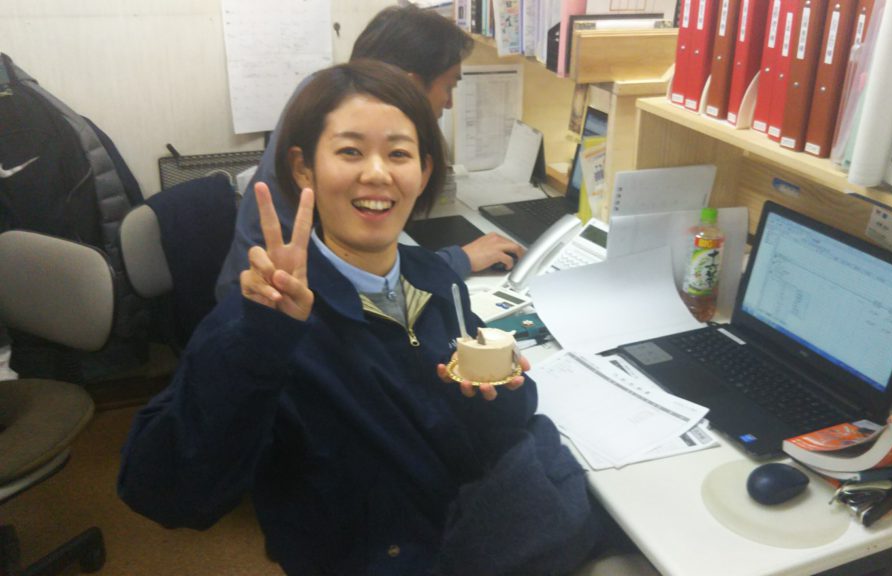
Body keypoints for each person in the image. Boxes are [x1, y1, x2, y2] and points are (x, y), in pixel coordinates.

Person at [118, 61, 611, 576]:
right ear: (304, 169)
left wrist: (499, 395)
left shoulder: (435, 280)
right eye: (350, 151)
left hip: (472, 530)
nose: (377, 173)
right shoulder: (267, 318)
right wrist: (259, 346)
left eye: (398, 153)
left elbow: (478, 429)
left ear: (423, 171)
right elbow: (164, 492)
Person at [214, 5, 524, 302]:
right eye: (449, 87)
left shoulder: (327, 94)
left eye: (398, 154)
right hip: (267, 294)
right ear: (410, 85)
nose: (449, 103)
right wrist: (459, 259)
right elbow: (361, 274)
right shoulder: (323, 110)